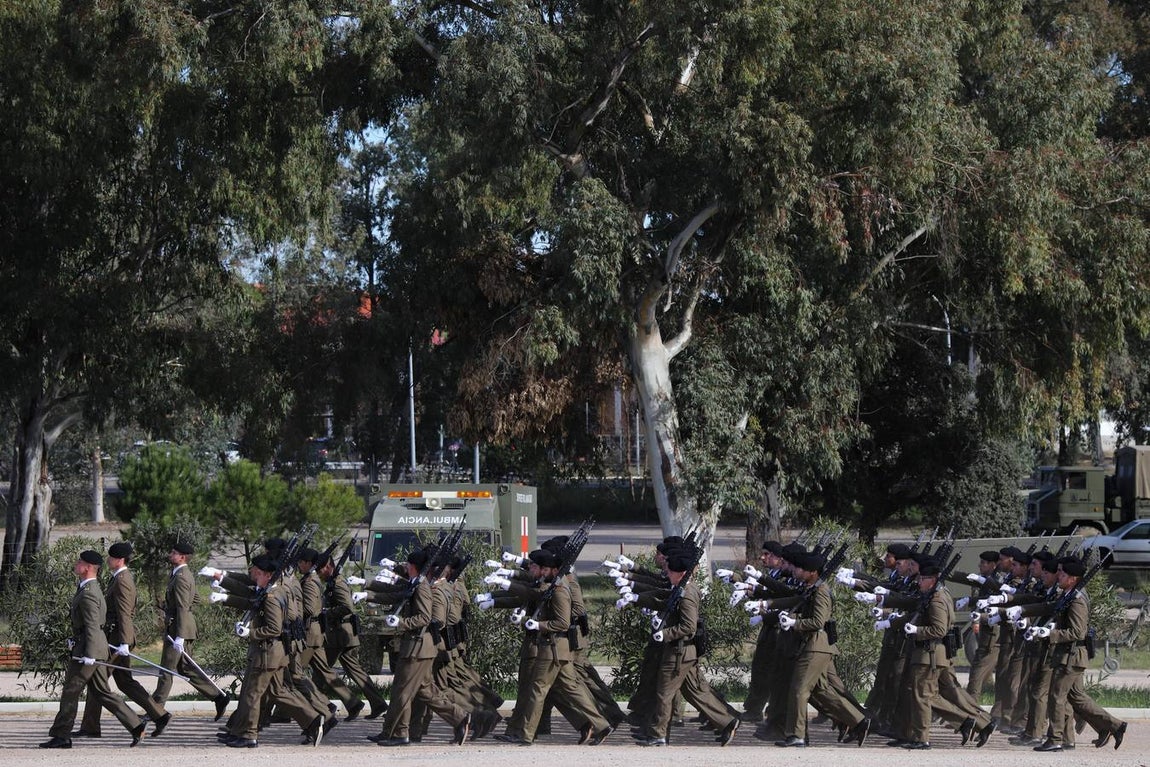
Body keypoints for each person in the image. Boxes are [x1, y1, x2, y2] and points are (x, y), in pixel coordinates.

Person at [40, 550, 146, 749]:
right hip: (94, 647)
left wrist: (88, 654)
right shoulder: (88, 588)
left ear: (88, 567)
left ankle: (62, 735)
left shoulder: (89, 593)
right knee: (102, 692)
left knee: (71, 690)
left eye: (79, 562)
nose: (76, 563)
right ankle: (136, 725)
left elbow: (91, 626)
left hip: (89, 650)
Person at [220, 554, 325, 749]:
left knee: (252, 694)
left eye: (258, 573)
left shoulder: (272, 597)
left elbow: (274, 628)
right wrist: (226, 596)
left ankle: (249, 735)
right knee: (278, 692)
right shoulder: (274, 591)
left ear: (268, 575)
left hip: (267, 653)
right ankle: (312, 720)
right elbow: (251, 601)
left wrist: (250, 633)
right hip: (276, 653)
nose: (255, 576)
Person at [77, 542, 172, 739]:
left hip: (117, 639)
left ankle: (91, 727)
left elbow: (124, 614)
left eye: (111, 557)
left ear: (119, 560)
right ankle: (160, 715)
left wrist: (124, 643)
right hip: (116, 637)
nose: (108, 560)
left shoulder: (122, 580)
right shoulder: (118, 578)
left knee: (97, 682)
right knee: (125, 682)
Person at [152, 541, 230, 720]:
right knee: (186, 669)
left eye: (174, 552)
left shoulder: (181, 576)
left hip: (178, 629)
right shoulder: (181, 574)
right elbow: (194, 599)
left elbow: (182, 606)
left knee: (166, 670)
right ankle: (218, 697)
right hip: (182, 626)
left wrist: (179, 635)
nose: (170, 554)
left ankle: (155, 710)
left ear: (182, 557)